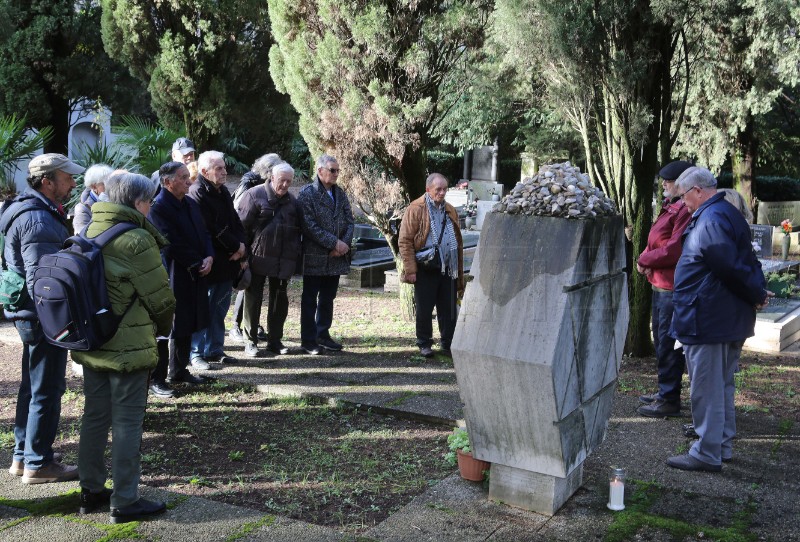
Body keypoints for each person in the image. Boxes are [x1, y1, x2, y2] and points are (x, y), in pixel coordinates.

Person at [72, 171, 175, 522]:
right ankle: (126, 501)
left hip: (91, 340)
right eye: (149, 201)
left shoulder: (88, 229)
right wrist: (163, 331)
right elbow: (162, 300)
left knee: (95, 417)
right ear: (136, 202)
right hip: (128, 346)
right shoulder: (136, 240)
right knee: (128, 422)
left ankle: (91, 492)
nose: (151, 207)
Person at [666, 167, 769, 472]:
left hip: (708, 318)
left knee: (707, 387)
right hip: (722, 316)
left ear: (698, 190)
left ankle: (706, 452)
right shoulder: (724, 212)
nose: (682, 204)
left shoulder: (709, 220)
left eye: (683, 197)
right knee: (721, 385)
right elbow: (740, 263)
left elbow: (729, 267)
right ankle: (720, 445)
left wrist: (755, 292)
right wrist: (756, 292)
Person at [0, 153, 81, 484]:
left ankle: (23, 456)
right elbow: (43, 280)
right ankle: (38, 463)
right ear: (47, 181)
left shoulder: (33, 211)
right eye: (67, 178)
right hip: (41, 314)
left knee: (32, 386)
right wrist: (58, 322)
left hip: (30, 313)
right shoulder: (37, 220)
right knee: (47, 387)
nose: (73, 183)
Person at [148, 162, 214, 397]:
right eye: (183, 177)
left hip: (196, 271)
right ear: (167, 182)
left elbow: (205, 233)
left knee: (188, 321)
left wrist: (209, 256)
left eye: (189, 176)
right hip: (174, 272)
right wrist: (197, 262)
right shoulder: (158, 207)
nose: (189, 181)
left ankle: (179, 370)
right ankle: (157, 378)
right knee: (168, 325)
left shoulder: (190, 203)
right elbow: (169, 241)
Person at [635, 160, 693, 418]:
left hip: (671, 285)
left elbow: (674, 248)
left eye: (669, 182)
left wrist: (645, 260)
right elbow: (655, 240)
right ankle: (664, 391)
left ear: (682, 183)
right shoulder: (671, 206)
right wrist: (645, 258)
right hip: (660, 282)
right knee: (661, 340)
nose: (664, 185)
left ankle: (669, 398)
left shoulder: (684, 209)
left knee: (668, 343)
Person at [188, 150, 247, 368]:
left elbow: (235, 222)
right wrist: (236, 246)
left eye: (224, 167)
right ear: (204, 171)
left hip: (228, 261)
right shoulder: (197, 193)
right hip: (209, 261)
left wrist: (243, 248)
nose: (225, 172)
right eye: (219, 168)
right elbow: (211, 229)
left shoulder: (222, 191)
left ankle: (214, 349)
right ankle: (196, 353)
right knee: (204, 309)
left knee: (220, 308)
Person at [237, 162, 302, 356]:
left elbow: (299, 230)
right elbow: (241, 228)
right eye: (282, 180)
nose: (285, 185)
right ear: (271, 177)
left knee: (279, 301)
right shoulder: (254, 195)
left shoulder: (293, 202)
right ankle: (250, 341)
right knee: (253, 299)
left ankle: (275, 341)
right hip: (257, 258)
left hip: (283, 260)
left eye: (289, 182)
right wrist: (242, 256)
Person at [398, 173, 464, 358]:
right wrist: (410, 269)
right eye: (438, 190)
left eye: (445, 189)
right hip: (426, 267)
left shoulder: (450, 209)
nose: (442, 193)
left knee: (448, 308)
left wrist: (458, 271)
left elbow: (458, 242)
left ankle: (448, 342)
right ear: (428, 190)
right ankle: (424, 343)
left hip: (448, 267)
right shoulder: (416, 209)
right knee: (424, 309)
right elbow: (404, 241)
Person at [297, 154, 354, 354]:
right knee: (310, 298)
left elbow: (350, 220)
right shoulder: (307, 194)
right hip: (316, 256)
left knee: (328, 297)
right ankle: (308, 339)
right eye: (333, 170)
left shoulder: (340, 193)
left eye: (338, 170)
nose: (336, 174)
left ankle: (323, 334)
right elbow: (309, 226)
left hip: (337, 256)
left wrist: (343, 245)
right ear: (320, 171)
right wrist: (334, 242)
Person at [229, 153, 283, 344]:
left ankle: (252, 325)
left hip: (262, 244)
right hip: (248, 243)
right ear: (269, 171)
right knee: (246, 285)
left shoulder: (264, 184)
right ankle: (235, 326)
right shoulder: (250, 183)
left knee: (251, 287)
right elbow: (239, 213)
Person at [72, 163, 113, 233]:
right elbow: (81, 234)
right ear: (94, 187)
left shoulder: (115, 200)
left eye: (112, 182)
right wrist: (101, 206)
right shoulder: (83, 208)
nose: (110, 186)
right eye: (106, 183)